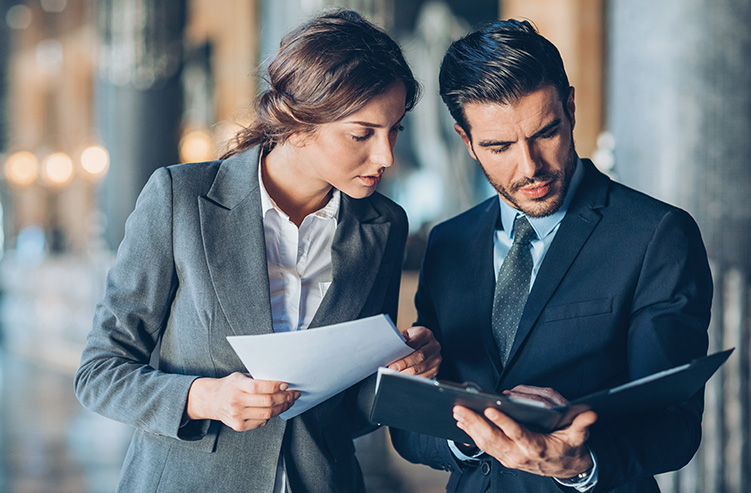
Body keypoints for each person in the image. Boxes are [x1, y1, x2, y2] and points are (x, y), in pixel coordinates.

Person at [74, 10, 441, 493]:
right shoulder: (180, 199)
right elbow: (99, 373)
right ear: (297, 123)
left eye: (394, 129)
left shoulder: (383, 223)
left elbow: (350, 412)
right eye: (361, 134)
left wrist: (403, 376)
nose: (386, 156)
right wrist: (202, 398)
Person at [390, 19, 712, 492]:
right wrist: (471, 438)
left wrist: (579, 463)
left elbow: (675, 426)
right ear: (466, 141)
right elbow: (412, 428)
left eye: (545, 132)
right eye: (499, 146)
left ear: (571, 108)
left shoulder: (657, 235)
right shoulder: (448, 242)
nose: (530, 167)